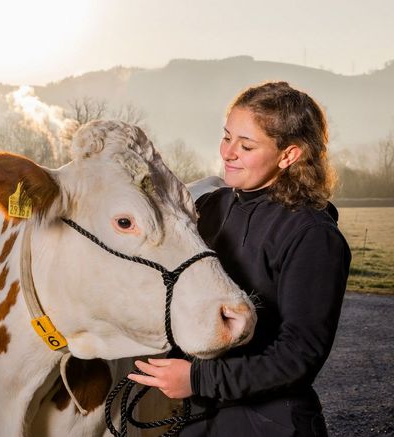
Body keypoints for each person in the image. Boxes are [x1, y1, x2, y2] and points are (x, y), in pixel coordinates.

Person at [128, 81, 351, 436]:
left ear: (288, 155)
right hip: (195, 417)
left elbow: (299, 356)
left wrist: (198, 379)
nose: (228, 152)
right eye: (227, 136)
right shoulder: (209, 208)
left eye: (246, 145)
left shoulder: (313, 235)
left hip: (269, 423)